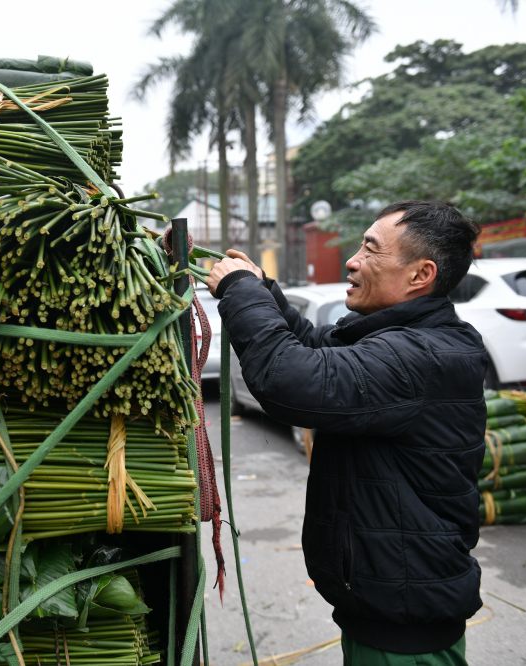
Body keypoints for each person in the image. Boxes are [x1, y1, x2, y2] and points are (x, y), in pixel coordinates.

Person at [207, 201, 485, 665]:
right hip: (389, 612)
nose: (353, 260)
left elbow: (291, 381)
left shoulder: (420, 355)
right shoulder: (403, 338)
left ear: (421, 275)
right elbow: (317, 348)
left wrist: (238, 291)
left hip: (403, 633)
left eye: (371, 250)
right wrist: (264, 291)